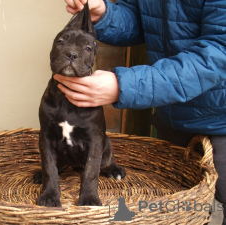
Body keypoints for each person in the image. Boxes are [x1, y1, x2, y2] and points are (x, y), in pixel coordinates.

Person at [55, 0, 226, 224]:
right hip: (173, 118)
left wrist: (124, 86)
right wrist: (105, 14)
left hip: (221, 120)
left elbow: (219, 51)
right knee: (182, 213)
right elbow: (140, 19)